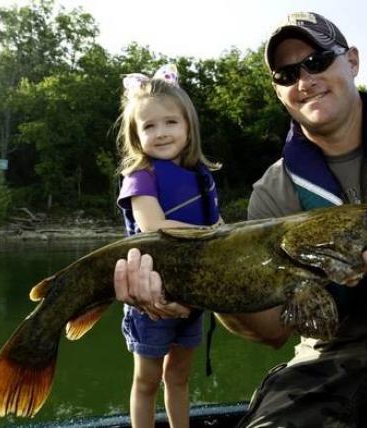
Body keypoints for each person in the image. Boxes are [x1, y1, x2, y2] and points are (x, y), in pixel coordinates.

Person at [113, 13, 367, 428]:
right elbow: (271, 331)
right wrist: (201, 290)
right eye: (287, 73)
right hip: (332, 353)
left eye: (318, 60)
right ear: (277, 90)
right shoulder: (271, 191)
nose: (304, 79)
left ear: (353, 61)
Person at [115, 64, 222, 428]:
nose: (160, 133)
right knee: (146, 380)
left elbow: (219, 225)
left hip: (193, 296)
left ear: (188, 126)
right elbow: (154, 226)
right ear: (136, 134)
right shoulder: (140, 176)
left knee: (178, 376)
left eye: (170, 122)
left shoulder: (200, 175)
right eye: (149, 126)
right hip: (150, 299)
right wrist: (211, 236)